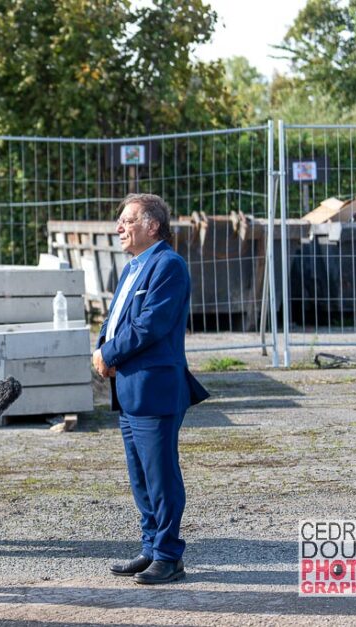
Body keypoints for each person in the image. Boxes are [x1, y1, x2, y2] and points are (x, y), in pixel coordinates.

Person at [93, 193, 209, 585]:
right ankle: (150, 548)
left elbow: (149, 325)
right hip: (129, 390)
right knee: (140, 476)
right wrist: (101, 348)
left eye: (127, 220)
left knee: (161, 476)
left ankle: (169, 555)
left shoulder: (168, 266)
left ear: (153, 226)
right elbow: (116, 318)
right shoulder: (132, 269)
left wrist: (108, 352)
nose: (119, 227)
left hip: (155, 389)